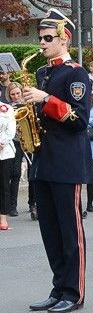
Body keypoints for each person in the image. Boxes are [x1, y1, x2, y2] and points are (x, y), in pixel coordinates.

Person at [21, 9, 93, 313]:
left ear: (64, 39)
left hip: (66, 162)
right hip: (43, 160)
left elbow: (79, 119)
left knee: (69, 230)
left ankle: (73, 292)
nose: (42, 43)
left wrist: (45, 100)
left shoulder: (76, 73)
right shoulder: (42, 73)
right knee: (50, 230)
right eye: (40, 38)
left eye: (48, 38)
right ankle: (58, 286)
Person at [5, 83, 25, 216]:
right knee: (15, 173)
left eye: (18, 93)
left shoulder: (28, 104)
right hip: (14, 141)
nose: (16, 97)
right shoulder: (6, 108)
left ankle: (33, 204)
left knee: (32, 173)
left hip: (26, 140)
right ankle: (12, 205)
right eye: (13, 94)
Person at [0, 98, 14, 229]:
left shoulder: (7, 109)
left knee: (4, 184)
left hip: (4, 152)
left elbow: (11, 129)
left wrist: (1, 142)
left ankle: (3, 217)